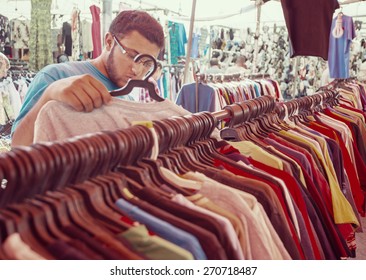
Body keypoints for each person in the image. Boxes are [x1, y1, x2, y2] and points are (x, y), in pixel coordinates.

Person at [11, 10, 165, 146]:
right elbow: (18, 147)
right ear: (109, 42)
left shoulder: (128, 100)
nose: (137, 70)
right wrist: (50, 94)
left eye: (146, 63)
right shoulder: (56, 76)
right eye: (132, 56)